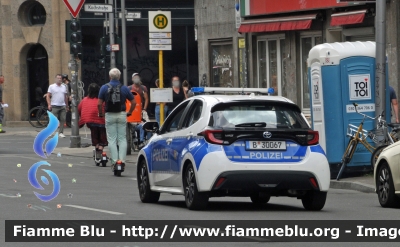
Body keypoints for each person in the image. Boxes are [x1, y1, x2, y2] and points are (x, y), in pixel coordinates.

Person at [98, 68, 135, 168]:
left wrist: (100, 113)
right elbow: (133, 102)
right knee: (122, 138)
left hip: (109, 115)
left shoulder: (104, 87)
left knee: (112, 139)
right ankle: (122, 161)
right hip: (122, 114)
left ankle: (114, 161)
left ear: (110, 77)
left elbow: (99, 103)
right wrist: (130, 112)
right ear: (119, 76)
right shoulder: (124, 88)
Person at [78, 83, 108, 155]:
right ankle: (101, 147)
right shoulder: (102, 100)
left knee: (94, 134)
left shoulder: (84, 100)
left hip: (90, 121)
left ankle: (97, 146)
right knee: (102, 135)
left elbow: (79, 109)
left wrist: (81, 118)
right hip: (102, 121)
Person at [128, 73, 149, 146]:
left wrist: (144, 109)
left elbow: (146, 99)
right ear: (132, 79)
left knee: (147, 124)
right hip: (132, 110)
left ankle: (143, 141)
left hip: (141, 111)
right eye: (135, 77)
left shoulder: (143, 88)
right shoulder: (129, 88)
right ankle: (135, 139)